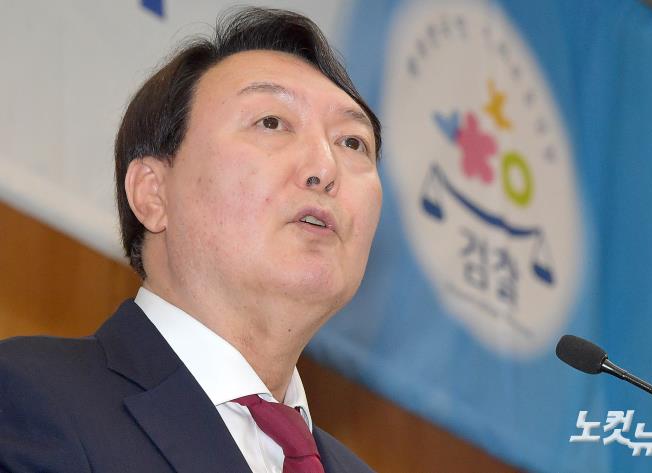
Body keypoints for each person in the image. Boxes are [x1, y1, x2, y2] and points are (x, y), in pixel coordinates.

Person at [0, 7, 381, 473]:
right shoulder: (27, 400)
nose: (325, 167)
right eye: (271, 122)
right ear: (153, 194)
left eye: (352, 143)